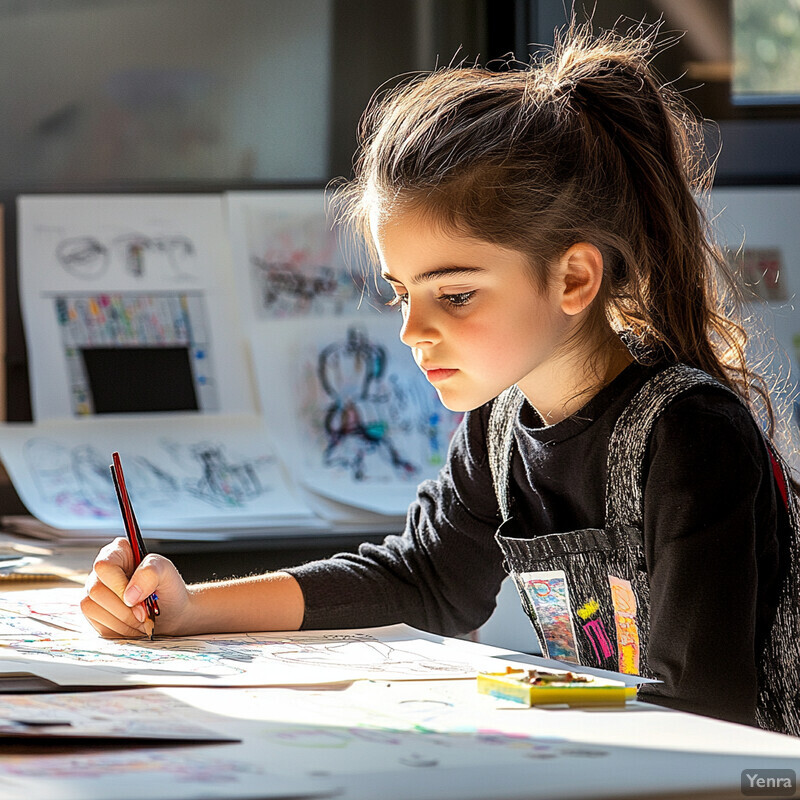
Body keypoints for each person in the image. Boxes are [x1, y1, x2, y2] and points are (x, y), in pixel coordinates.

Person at [81, 21, 800, 735]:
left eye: (454, 295)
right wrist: (188, 608)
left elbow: (704, 714)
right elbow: (422, 580)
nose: (412, 331)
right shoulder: (499, 425)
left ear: (574, 276)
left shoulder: (690, 438)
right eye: (402, 293)